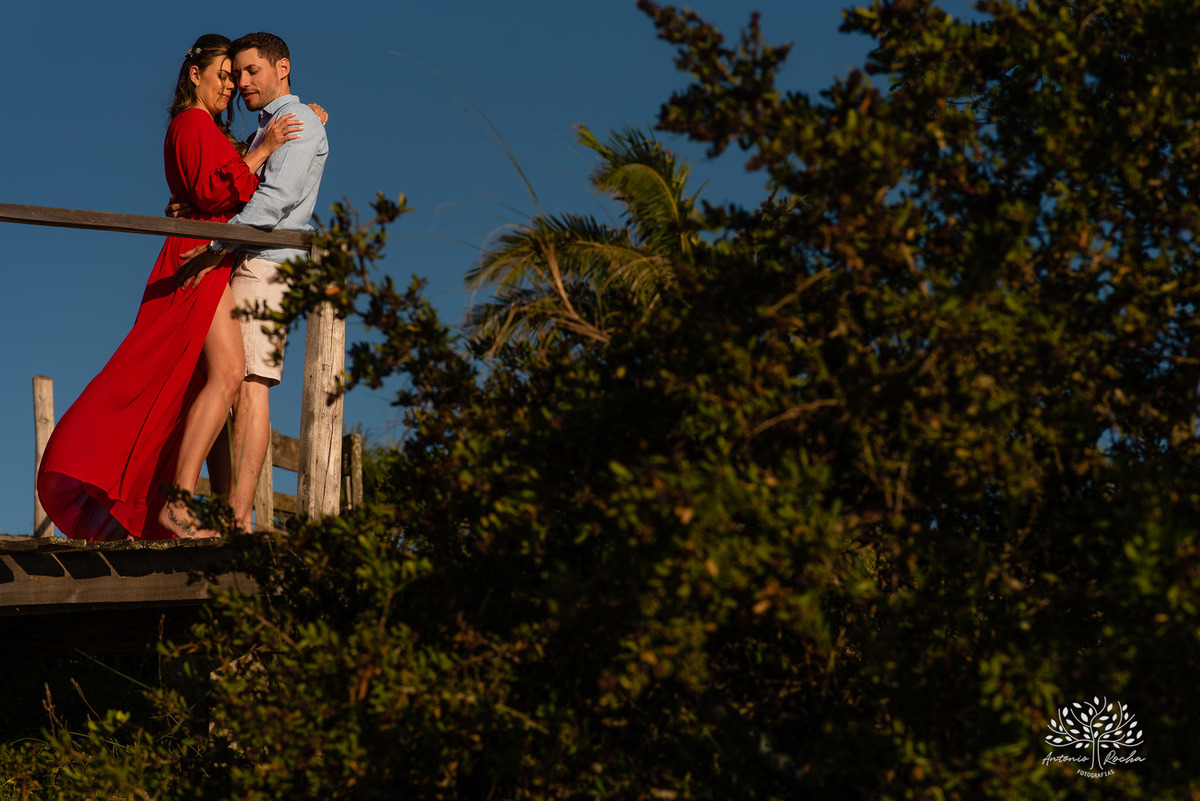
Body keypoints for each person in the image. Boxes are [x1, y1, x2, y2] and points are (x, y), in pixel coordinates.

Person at [37, 34, 309, 540]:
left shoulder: (210, 131)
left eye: (237, 76)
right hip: (196, 262)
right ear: (194, 75)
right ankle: (181, 506)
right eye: (224, 74)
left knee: (205, 384)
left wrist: (296, 120)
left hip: (210, 262)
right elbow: (213, 189)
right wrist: (265, 149)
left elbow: (208, 188)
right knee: (223, 376)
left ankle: (204, 508)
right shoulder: (191, 122)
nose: (232, 84)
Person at [176, 32, 329, 533]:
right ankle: (229, 514)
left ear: (281, 67)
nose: (241, 83)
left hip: (267, 262)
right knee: (230, 383)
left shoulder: (295, 121)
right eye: (235, 74)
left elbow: (277, 200)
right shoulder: (276, 124)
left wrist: (217, 241)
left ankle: (238, 517)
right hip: (249, 257)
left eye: (251, 71)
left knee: (250, 385)